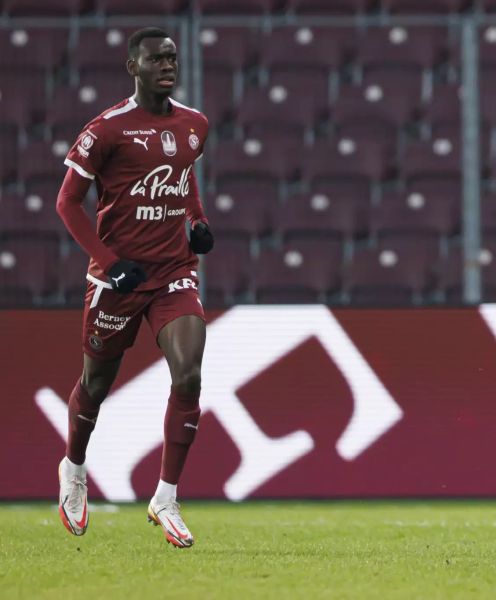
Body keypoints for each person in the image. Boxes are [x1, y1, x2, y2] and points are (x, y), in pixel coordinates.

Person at [55, 27, 214, 548]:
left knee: (188, 374)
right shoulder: (106, 130)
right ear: (134, 68)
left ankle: (166, 496)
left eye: (172, 58)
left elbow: (182, 173)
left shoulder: (195, 125)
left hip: (173, 271)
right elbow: (67, 202)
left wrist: (197, 219)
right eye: (156, 59)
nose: (167, 65)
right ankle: (74, 469)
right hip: (118, 278)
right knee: (95, 387)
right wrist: (107, 259)